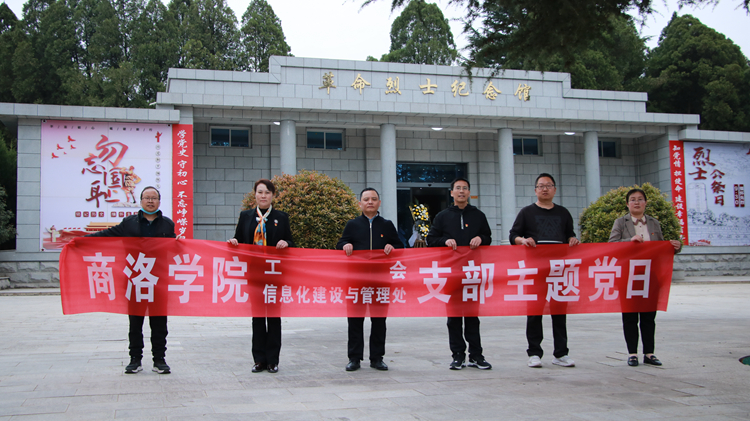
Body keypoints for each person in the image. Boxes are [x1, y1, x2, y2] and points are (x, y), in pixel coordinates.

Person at [87, 186, 176, 374]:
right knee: (135, 323)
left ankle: (159, 360)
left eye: (154, 198)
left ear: (159, 201)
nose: (150, 201)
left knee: (159, 323)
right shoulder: (129, 223)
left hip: (158, 281)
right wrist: (82, 241)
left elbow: (176, 248)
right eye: (147, 198)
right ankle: (135, 359)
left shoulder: (168, 225)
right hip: (135, 280)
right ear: (141, 200)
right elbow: (106, 235)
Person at [509, 173, 580, 369]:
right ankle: (534, 353)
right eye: (541, 186)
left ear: (555, 190)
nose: (545, 189)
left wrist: (573, 239)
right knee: (534, 312)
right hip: (536, 270)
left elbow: (570, 235)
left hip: (559, 270)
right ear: (535, 190)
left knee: (559, 312)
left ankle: (561, 353)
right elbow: (513, 235)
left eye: (548, 185)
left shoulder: (563, 213)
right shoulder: (526, 212)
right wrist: (523, 240)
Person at [608, 188, 681, 367]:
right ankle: (632, 353)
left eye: (640, 199)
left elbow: (661, 248)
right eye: (633, 199)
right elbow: (611, 245)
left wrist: (675, 247)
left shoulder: (654, 223)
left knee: (649, 316)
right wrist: (629, 241)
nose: (637, 202)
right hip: (628, 275)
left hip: (650, 275)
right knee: (630, 316)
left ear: (646, 203)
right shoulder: (620, 222)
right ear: (627, 204)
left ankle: (649, 353)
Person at [228, 179, 294, 374]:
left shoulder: (281, 217)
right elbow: (239, 239)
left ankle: (273, 360)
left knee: (273, 317)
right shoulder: (246, 216)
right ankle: (259, 360)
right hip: (254, 274)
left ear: (273, 195)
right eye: (260, 192)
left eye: (267, 192)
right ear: (255, 195)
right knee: (257, 317)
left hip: (274, 274)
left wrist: (286, 243)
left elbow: (291, 241)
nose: (263, 196)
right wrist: (234, 242)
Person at [427, 178, 493, 370]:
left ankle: (476, 355)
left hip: (473, 272)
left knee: (472, 317)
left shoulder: (478, 215)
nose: (461, 191)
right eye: (458, 188)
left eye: (465, 188)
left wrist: (481, 238)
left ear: (469, 192)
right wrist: (445, 241)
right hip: (451, 273)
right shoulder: (442, 216)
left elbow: (488, 237)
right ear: (452, 193)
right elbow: (431, 239)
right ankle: (457, 355)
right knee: (454, 317)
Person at [336, 188, 403, 371]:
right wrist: (345, 244)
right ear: (360, 204)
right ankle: (354, 358)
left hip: (380, 281)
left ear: (379, 203)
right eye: (366, 199)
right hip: (356, 281)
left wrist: (392, 246)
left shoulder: (387, 225)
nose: (370, 202)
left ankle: (377, 358)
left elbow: (399, 245)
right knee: (355, 321)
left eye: (374, 199)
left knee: (379, 321)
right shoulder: (352, 224)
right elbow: (340, 244)